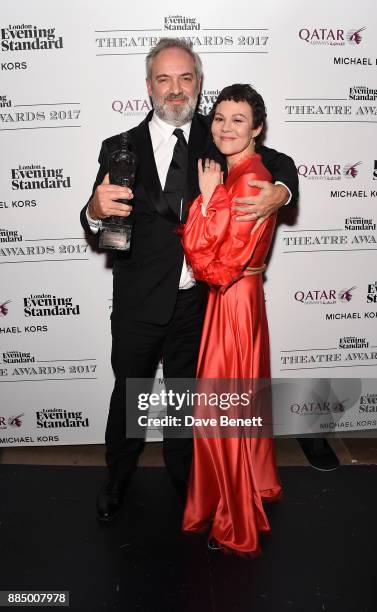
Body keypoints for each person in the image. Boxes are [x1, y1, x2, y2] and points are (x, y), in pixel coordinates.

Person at [80, 38, 298, 524]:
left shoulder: (217, 134)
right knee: (130, 393)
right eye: (164, 79)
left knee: (185, 400)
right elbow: (96, 223)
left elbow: (280, 164)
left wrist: (280, 192)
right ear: (148, 86)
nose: (175, 90)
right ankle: (118, 475)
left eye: (185, 79)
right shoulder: (119, 147)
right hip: (138, 301)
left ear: (199, 84)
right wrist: (94, 212)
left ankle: (187, 481)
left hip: (198, 304)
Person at [182, 84, 282, 555]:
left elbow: (214, 265)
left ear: (257, 127)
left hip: (234, 300)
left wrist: (207, 200)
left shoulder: (248, 181)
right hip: (238, 300)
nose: (225, 127)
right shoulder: (240, 171)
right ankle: (250, 486)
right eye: (220, 117)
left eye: (238, 119)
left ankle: (234, 515)